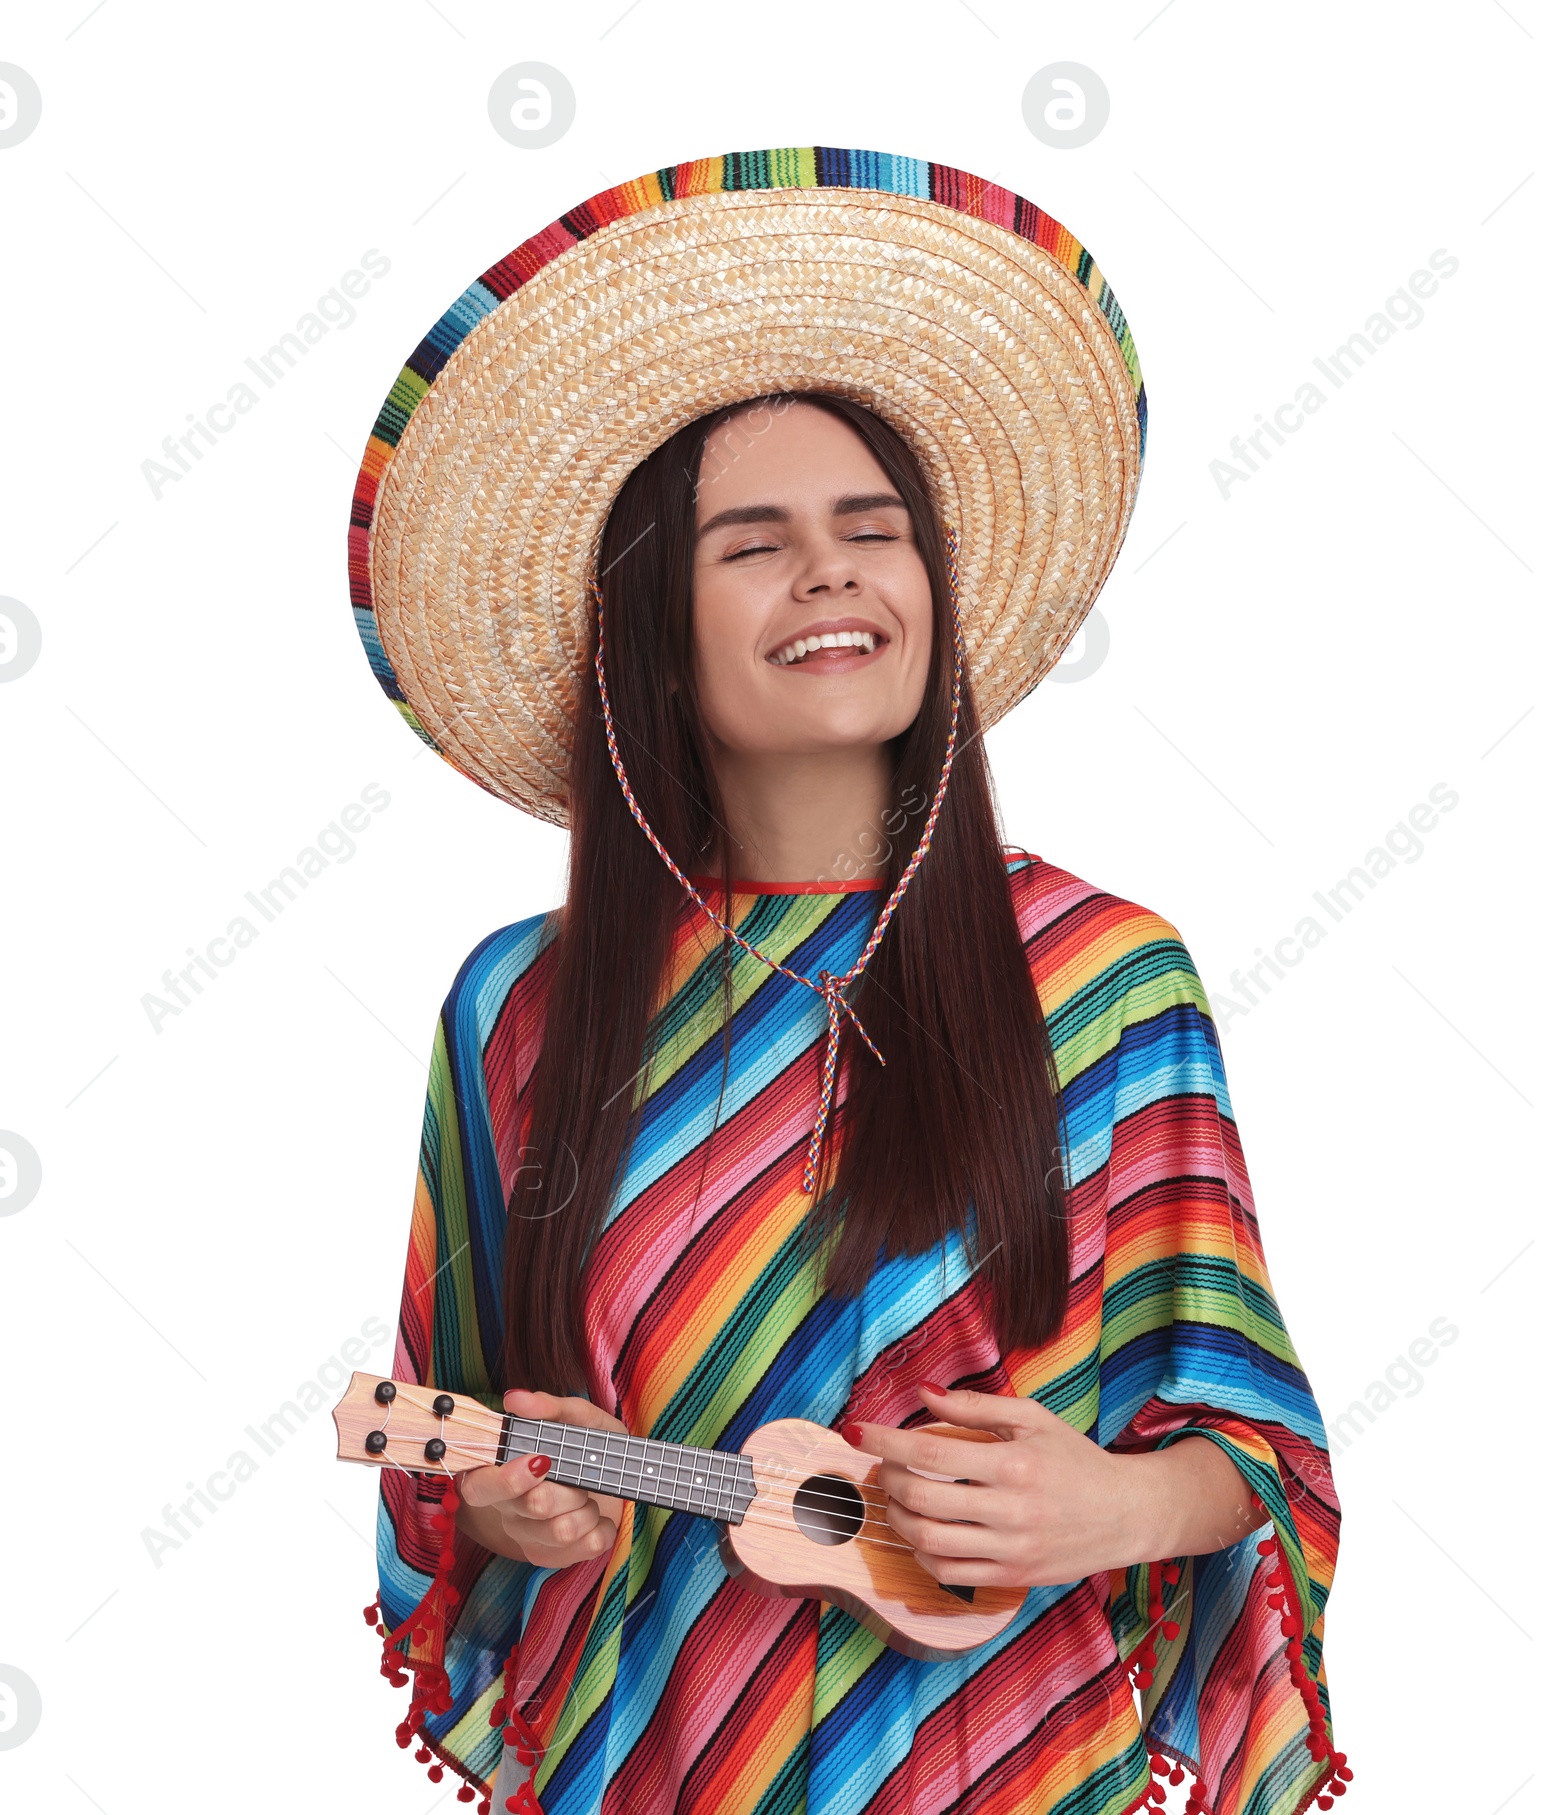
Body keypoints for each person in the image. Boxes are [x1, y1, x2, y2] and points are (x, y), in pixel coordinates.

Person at [347, 150, 1349, 1815]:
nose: (829, 572)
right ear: (645, 628)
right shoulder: (520, 1005)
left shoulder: (1103, 981)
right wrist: (512, 1505)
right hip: (653, 1754)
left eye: (870, 529)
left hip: (1017, 1762)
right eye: (755, 543)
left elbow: (1250, 1439)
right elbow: (456, 1428)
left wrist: (1114, 1511)